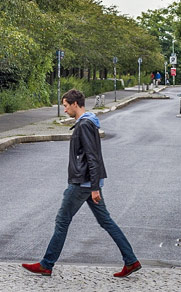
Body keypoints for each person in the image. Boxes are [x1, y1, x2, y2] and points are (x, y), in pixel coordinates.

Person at [22, 89, 140, 278]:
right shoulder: (88, 123)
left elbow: (92, 158)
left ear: (75, 104)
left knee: (62, 221)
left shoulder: (84, 125)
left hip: (81, 183)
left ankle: (46, 264)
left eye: (66, 106)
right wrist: (94, 186)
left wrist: (94, 187)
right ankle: (131, 260)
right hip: (89, 183)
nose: (65, 109)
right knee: (106, 221)